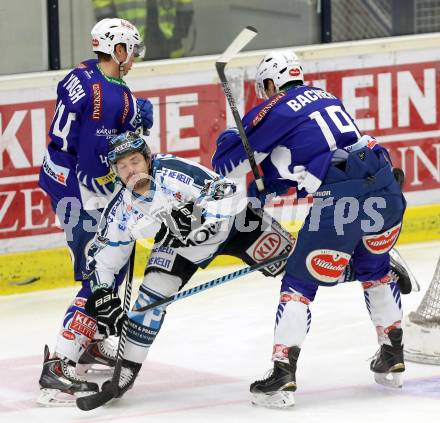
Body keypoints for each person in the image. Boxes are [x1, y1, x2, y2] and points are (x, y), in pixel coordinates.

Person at [212, 51, 407, 408]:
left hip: (341, 200)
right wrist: (268, 183)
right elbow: (307, 160)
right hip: (386, 190)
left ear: (271, 83)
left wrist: (230, 136)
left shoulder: (275, 107)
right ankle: (393, 353)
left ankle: (283, 373)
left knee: (299, 284)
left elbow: (225, 163)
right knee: (375, 271)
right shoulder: (327, 97)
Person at [83, 130, 295, 398]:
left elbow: (226, 190)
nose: (130, 170)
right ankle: (126, 369)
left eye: (134, 161)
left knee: (300, 269)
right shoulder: (120, 209)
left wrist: (200, 216)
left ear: (148, 159)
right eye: (122, 166)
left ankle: (358, 269)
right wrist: (102, 293)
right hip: (180, 247)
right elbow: (104, 260)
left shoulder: (173, 171)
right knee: (148, 303)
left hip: (235, 225)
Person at [37, 18, 154, 406]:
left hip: (59, 175)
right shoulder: (111, 94)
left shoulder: (85, 73)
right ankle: (60, 363)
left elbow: (92, 128)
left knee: (107, 268)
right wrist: (132, 134)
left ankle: (90, 342)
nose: (134, 58)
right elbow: (95, 164)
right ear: (117, 49)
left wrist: (129, 119)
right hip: (81, 190)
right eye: (131, 50)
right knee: (103, 271)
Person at [92, 0, 194, 60]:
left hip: (170, 45)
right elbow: (103, 8)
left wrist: (179, 32)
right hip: (132, 49)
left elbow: (185, 4)